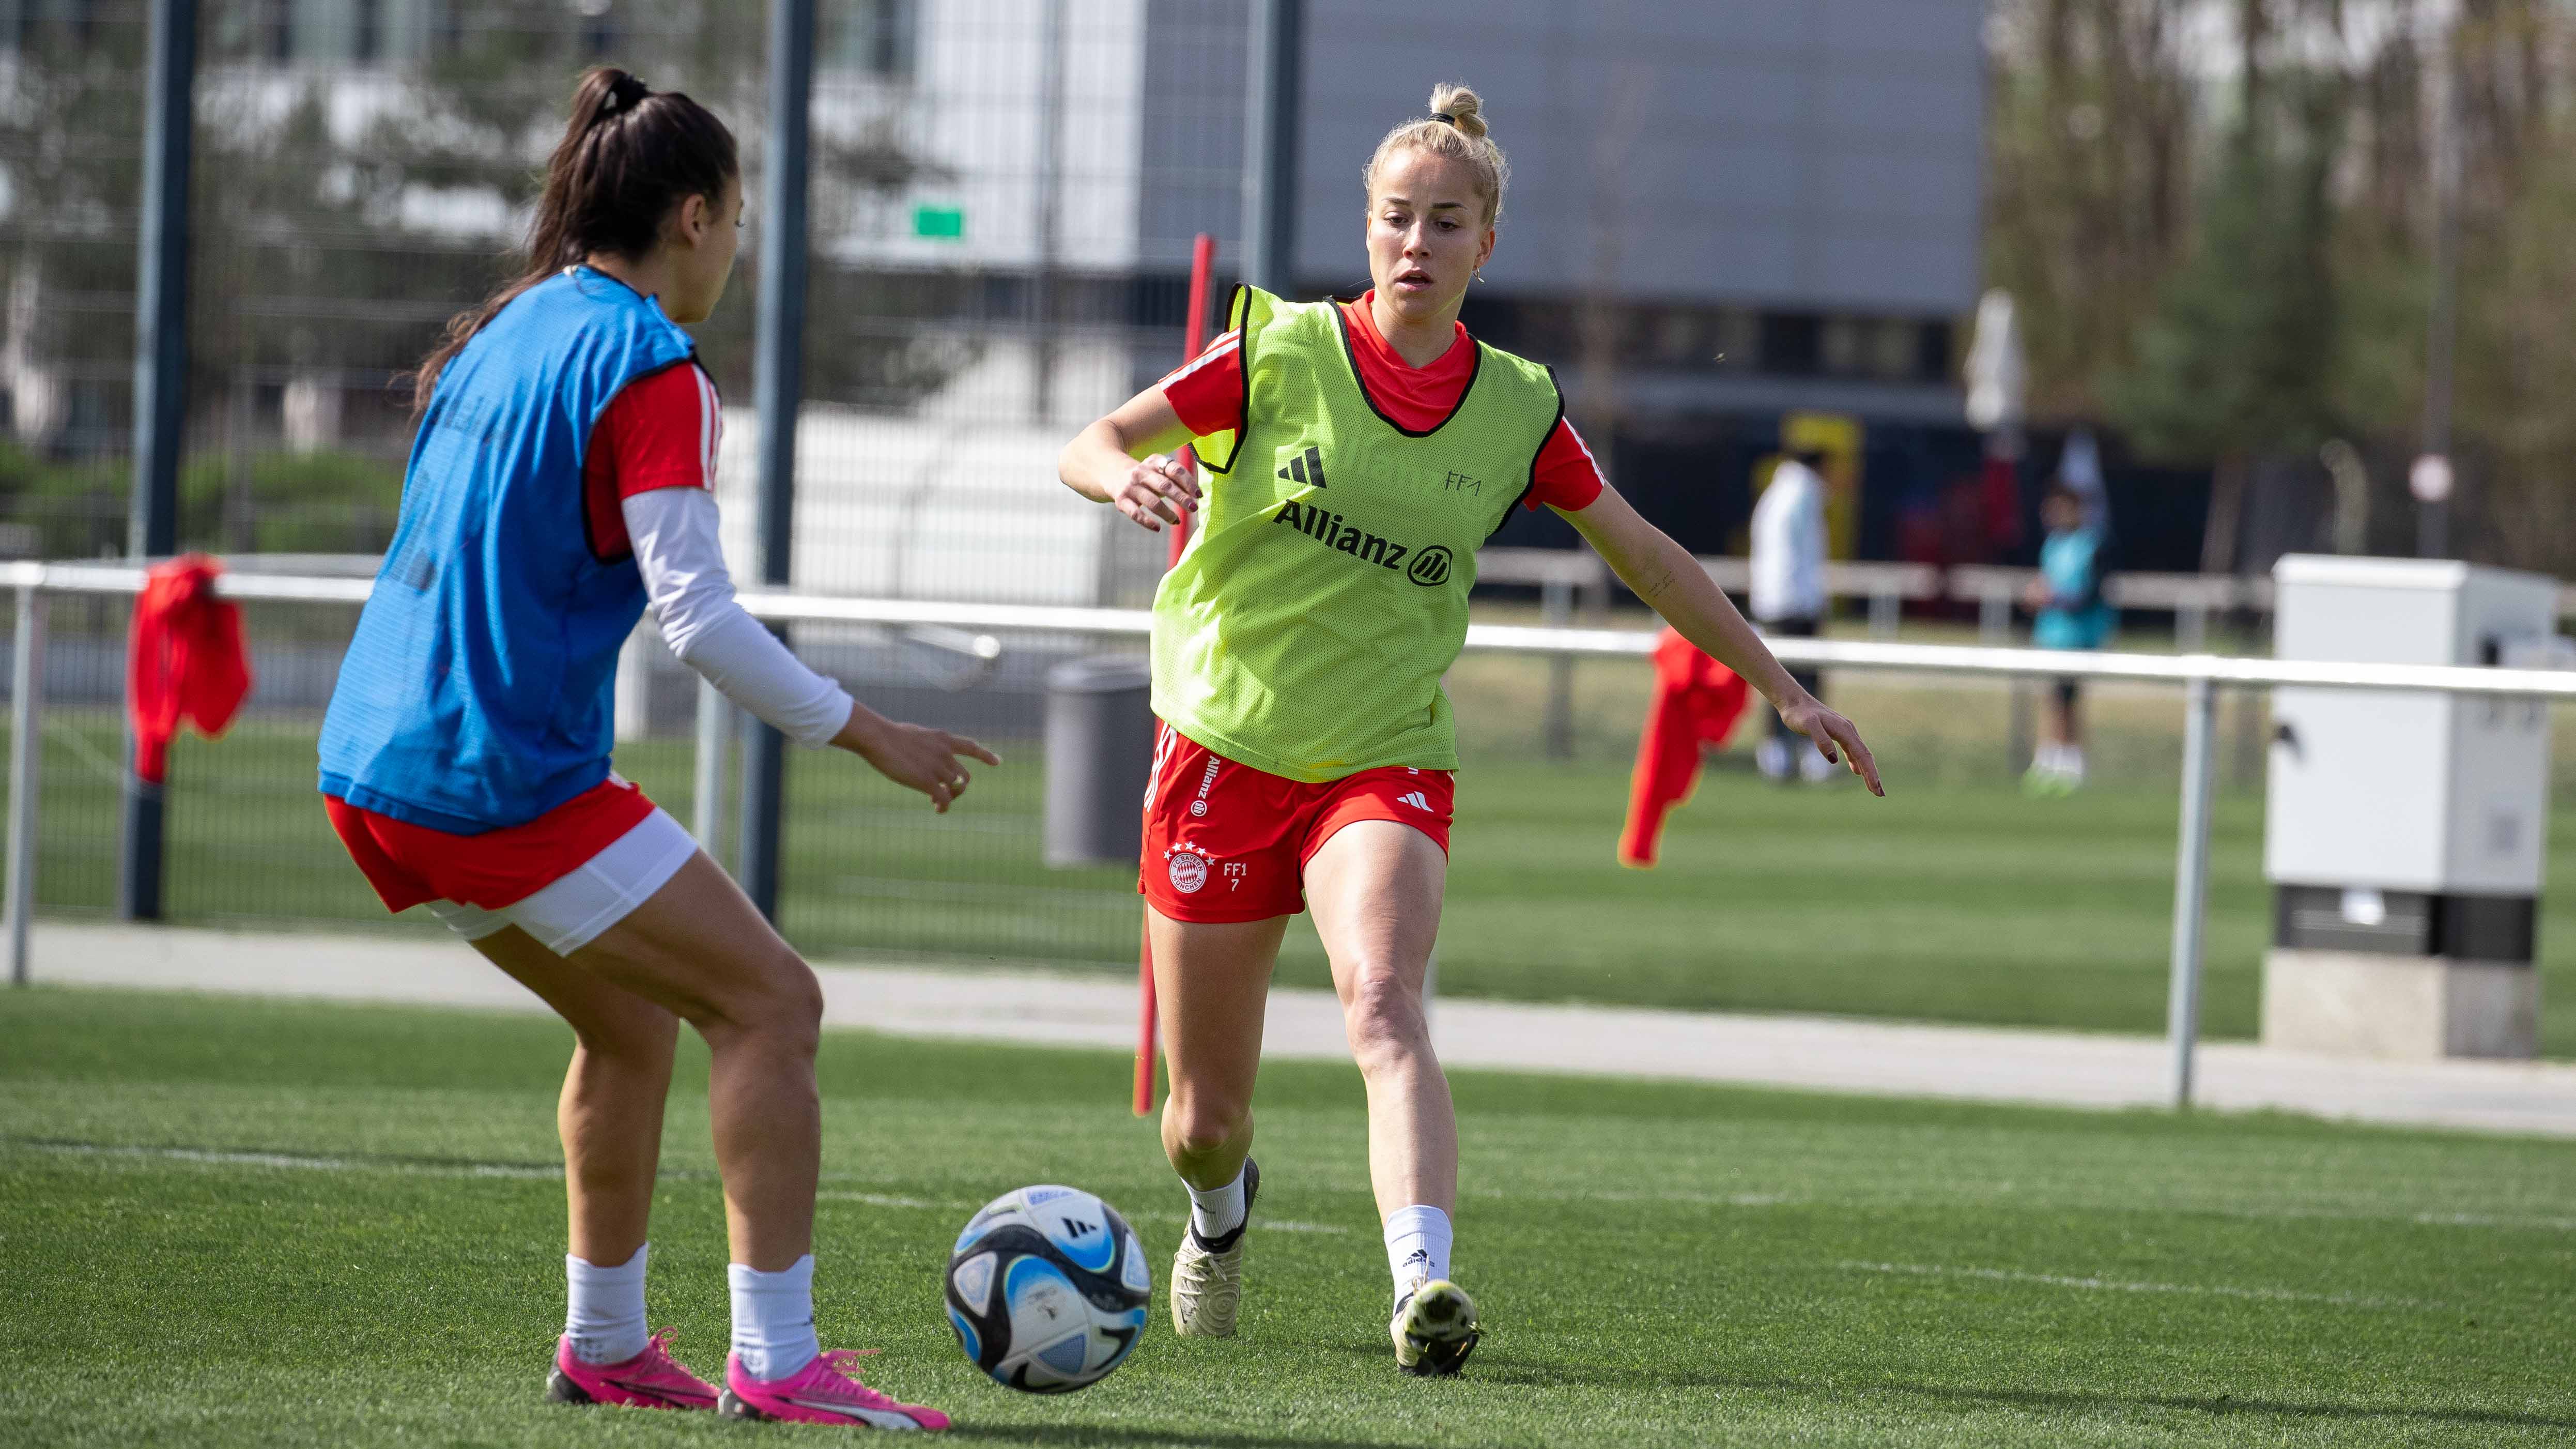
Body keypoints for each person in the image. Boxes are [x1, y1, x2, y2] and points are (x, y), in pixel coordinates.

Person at [1057, 83, 1881, 1377]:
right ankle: (1220, 1213)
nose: (1416, 244)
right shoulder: (1275, 354)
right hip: (1220, 746)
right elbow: (1094, 438)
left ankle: (1423, 1284)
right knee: (1201, 1119)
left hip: (1382, 758)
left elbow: (1653, 562)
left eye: (1446, 223)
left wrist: (1786, 688)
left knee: (1383, 1000)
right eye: (1397, 218)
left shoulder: (1516, 408)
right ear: (1369, 228)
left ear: (1483, 246)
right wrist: (1127, 476)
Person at [316, 68, 993, 1430]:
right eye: (737, 219)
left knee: (629, 1025)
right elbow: (699, 619)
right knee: (772, 1003)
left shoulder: (508, 328)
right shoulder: (650, 363)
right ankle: (780, 1359)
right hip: (492, 778)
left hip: (370, 769)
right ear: (693, 217)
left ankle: (605, 1342)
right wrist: (869, 731)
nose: (737, 248)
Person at [2022, 480, 2117, 793]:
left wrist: (2053, 599)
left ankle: (2071, 763)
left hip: (2080, 636)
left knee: (2069, 699)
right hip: (2052, 635)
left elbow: (2091, 594)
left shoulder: (2094, 545)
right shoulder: (2052, 544)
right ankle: (2050, 759)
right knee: (2053, 699)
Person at [1747, 448, 1834, 783]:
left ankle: (1776, 757)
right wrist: (1815, 599)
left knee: (1776, 682)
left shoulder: (1774, 494)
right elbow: (1806, 556)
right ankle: (1812, 759)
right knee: (1807, 683)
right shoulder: (1805, 493)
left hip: (1771, 600)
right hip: (1796, 603)